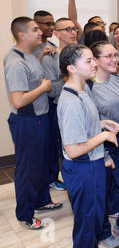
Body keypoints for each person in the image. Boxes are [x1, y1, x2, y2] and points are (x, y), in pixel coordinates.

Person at [57, 43, 119, 248]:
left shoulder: (82, 91)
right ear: (71, 68)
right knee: (87, 224)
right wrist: (103, 136)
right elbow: (74, 149)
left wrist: (101, 125)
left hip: (92, 164)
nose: (95, 63)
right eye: (88, 60)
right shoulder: (71, 101)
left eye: (94, 58)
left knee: (92, 220)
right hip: (83, 168)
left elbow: (84, 128)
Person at [4, 17, 62, 230]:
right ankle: (25, 214)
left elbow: (31, 79)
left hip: (39, 118)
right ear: (21, 35)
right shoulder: (15, 62)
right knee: (28, 169)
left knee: (39, 165)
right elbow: (18, 100)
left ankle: (41, 201)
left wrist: (42, 59)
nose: (41, 32)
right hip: (27, 120)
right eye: (35, 29)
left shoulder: (28, 55)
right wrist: (44, 87)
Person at [89, 41, 119, 248]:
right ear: (96, 60)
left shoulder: (118, 79)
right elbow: (90, 125)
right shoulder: (88, 87)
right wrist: (105, 155)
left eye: (115, 55)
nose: (114, 60)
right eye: (108, 56)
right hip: (101, 143)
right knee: (102, 192)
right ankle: (103, 233)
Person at [42, 18, 79, 191]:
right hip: (60, 107)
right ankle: (70, 184)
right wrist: (69, 77)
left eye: (74, 29)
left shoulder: (81, 54)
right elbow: (51, 90)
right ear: (56, 34)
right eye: (67, 29)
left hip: (81, 105)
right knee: (65, 147)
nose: (73, 32)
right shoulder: (51, 57)